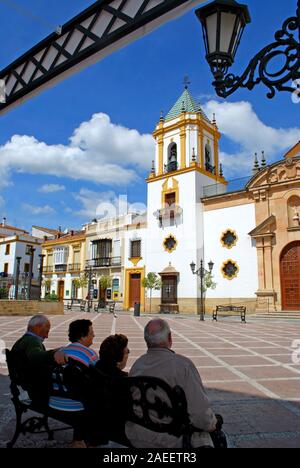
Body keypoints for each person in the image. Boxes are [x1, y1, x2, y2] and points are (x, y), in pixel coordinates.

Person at [125, 319, 217, 448]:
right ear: (169, 337)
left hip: (136, 434)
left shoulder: (137, 365)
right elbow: (200, 415)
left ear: (146, 340)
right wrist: (212, 423)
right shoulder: (183, 366)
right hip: (170, 439)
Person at [48, 319, 98, 448]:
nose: (94, 335)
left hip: (54, 401)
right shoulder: (90, 354)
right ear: (82, 336)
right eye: (91, 332)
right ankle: (87, 441)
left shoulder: (61, 351)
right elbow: (99, 379)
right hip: (76, 406)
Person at [11, 315, 67, 407]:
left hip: (28, 382)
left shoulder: (23, 340)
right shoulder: (33, 341)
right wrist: (54, 353)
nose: (47, 336)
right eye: (46, 331)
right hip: (36, 387)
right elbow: (35, 355)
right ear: (37, 327)